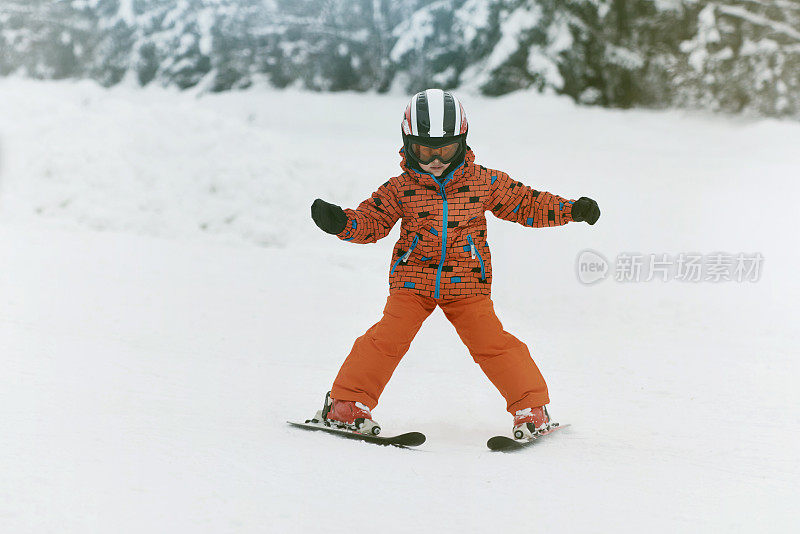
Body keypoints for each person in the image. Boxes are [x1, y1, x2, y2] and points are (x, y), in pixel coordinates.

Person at [310, 89, 600, 439]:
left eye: (445, 149)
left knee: (493, 344)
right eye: (424, 150)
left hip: (467, 282)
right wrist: (343, 223)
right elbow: (372, 221)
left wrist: (572, 210)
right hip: (413, 279)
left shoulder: (484, 181)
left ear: (461, 141)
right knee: (387, 338)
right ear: (408, 144)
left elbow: (527, 204)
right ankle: (346, 404)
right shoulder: (401, 188)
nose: (435, 159)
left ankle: (531, 409)